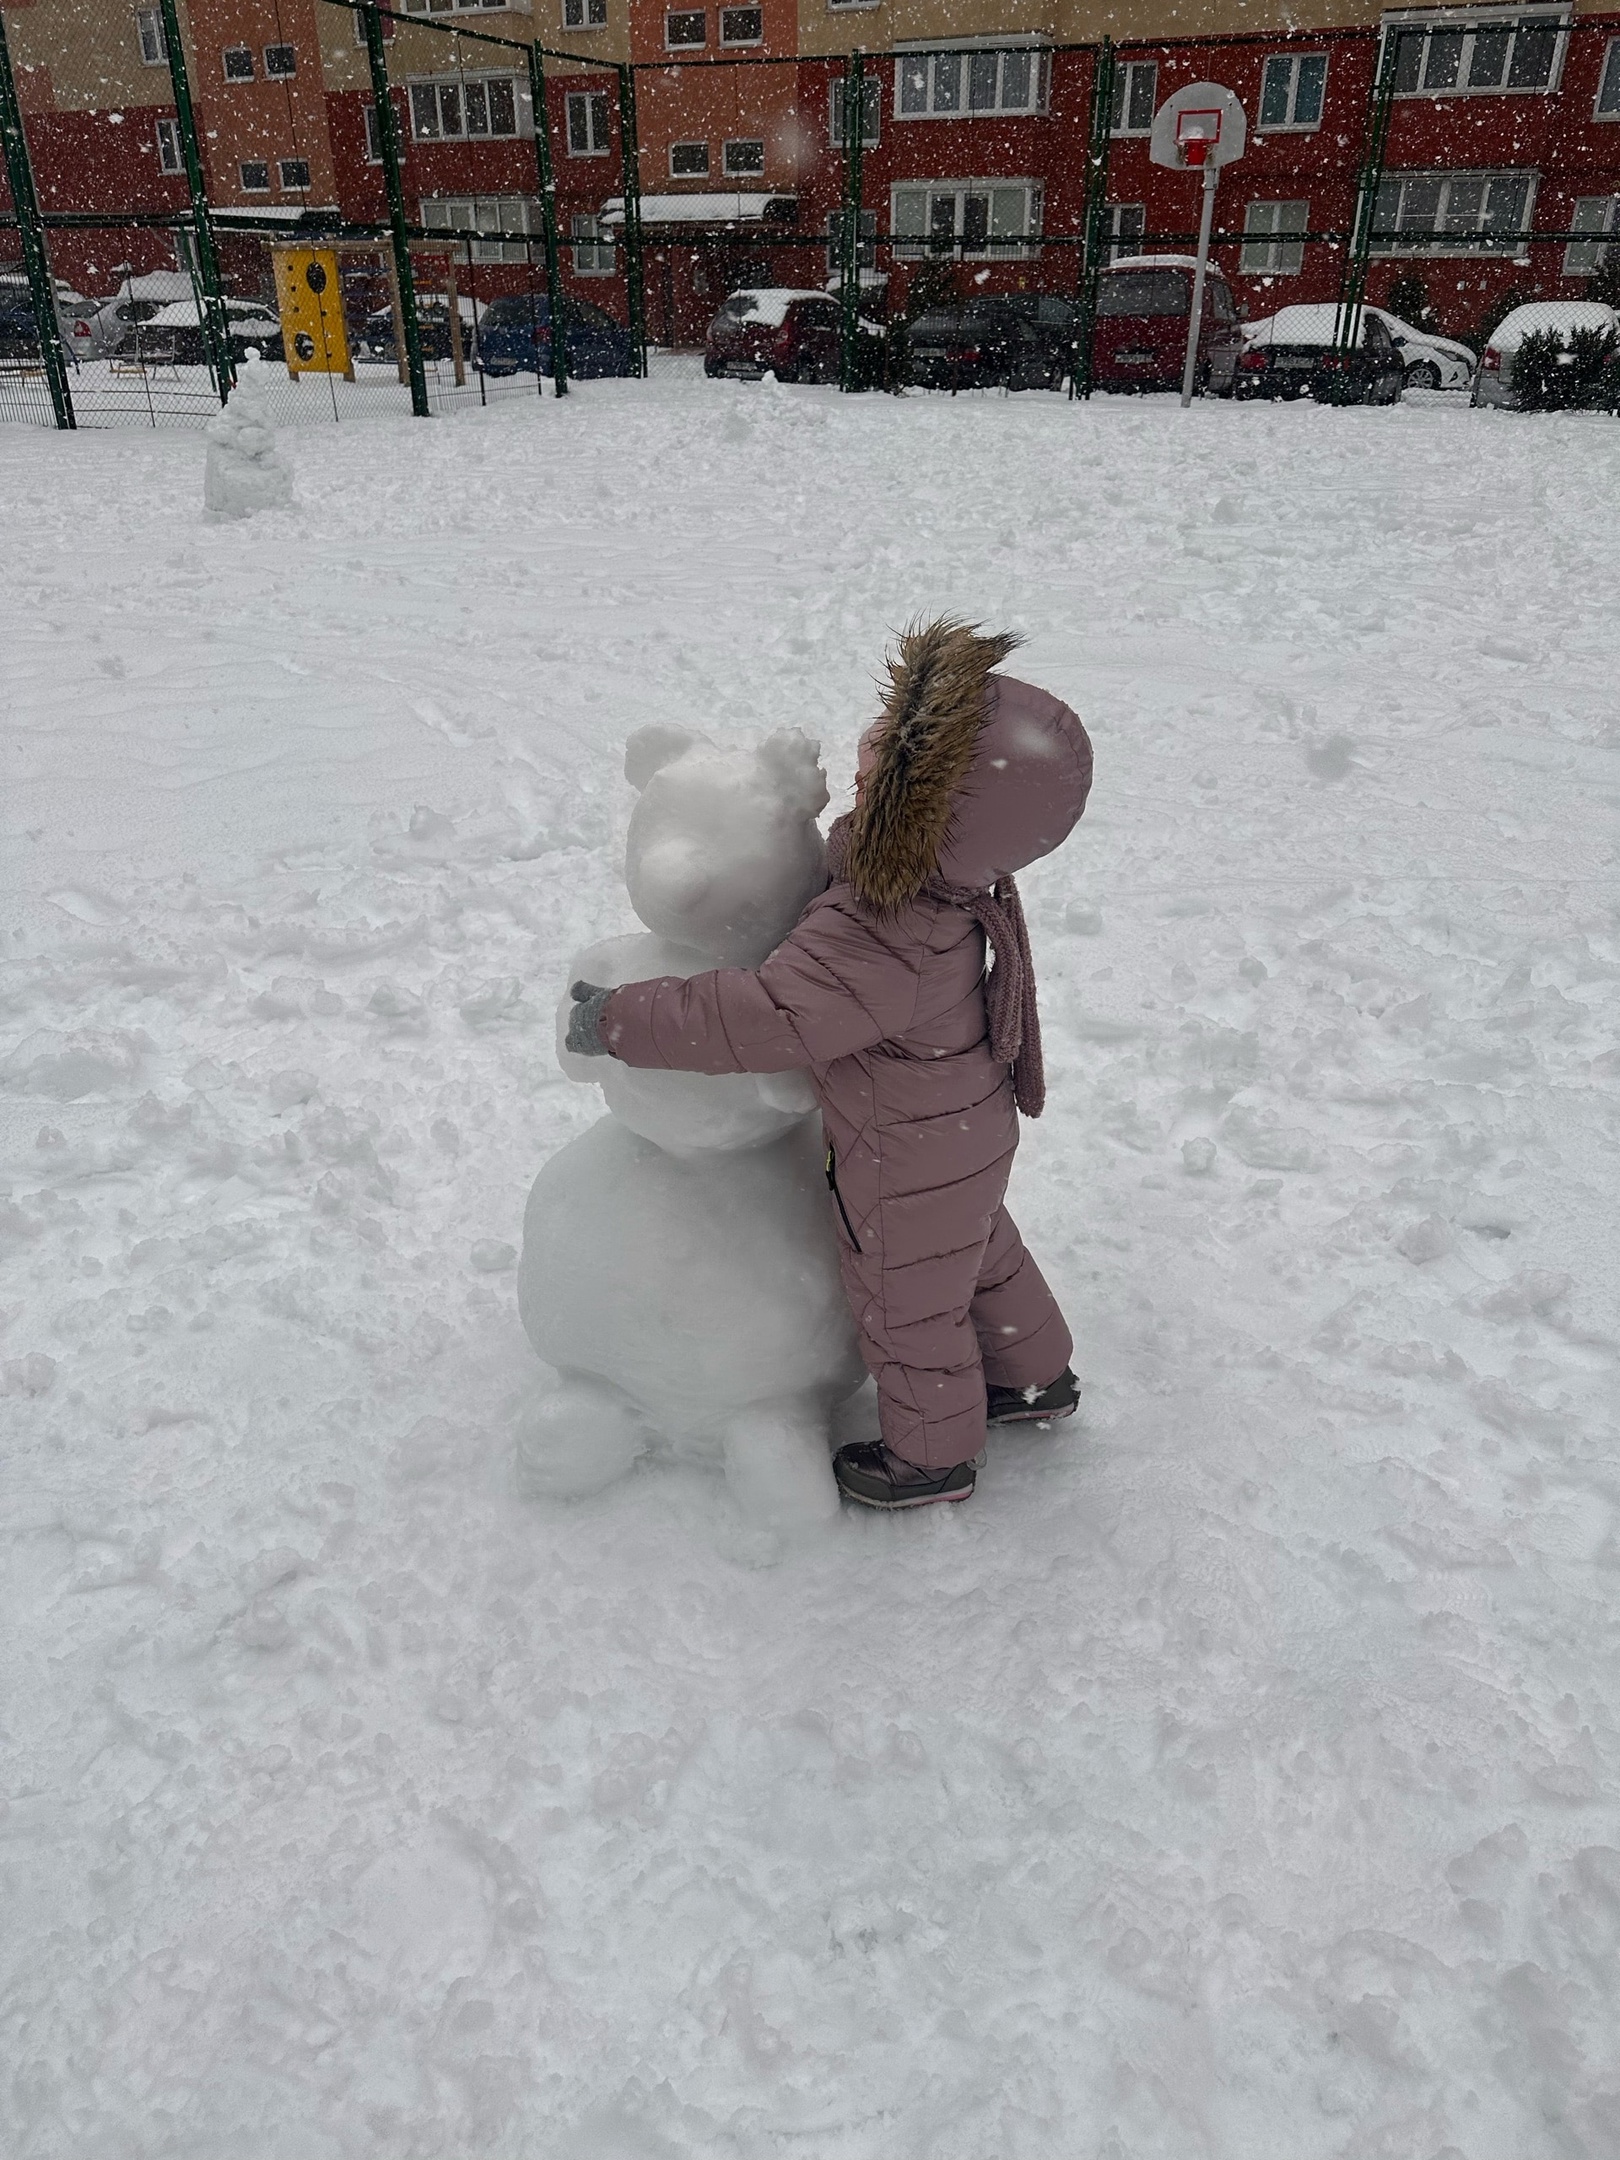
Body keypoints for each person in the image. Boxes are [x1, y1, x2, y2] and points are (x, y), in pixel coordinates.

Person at [565, 618, 1094, 1509]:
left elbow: (766, 1017)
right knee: (976, 1252)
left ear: (927, 811)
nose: (873, 736)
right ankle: (1037, 1375)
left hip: (902, 1149)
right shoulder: (946, 885)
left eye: (895, 752)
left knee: (908, 1303)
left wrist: (622, 1019)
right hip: (961, 1128)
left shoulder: (880, 931)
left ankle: (934, 1457)